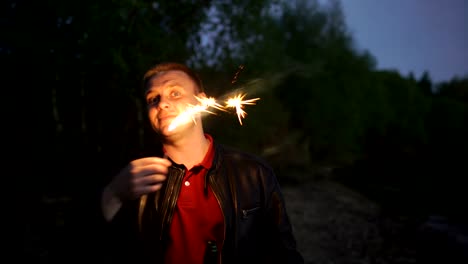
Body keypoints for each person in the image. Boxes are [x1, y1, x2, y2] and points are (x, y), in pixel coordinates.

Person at [98, 62, 304, 264]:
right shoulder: (130, 177)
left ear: (201, 102)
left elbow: (283, 254)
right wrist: (113, 195)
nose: (161, 104)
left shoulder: (253, 173)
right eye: (153, 99)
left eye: (175, 93)